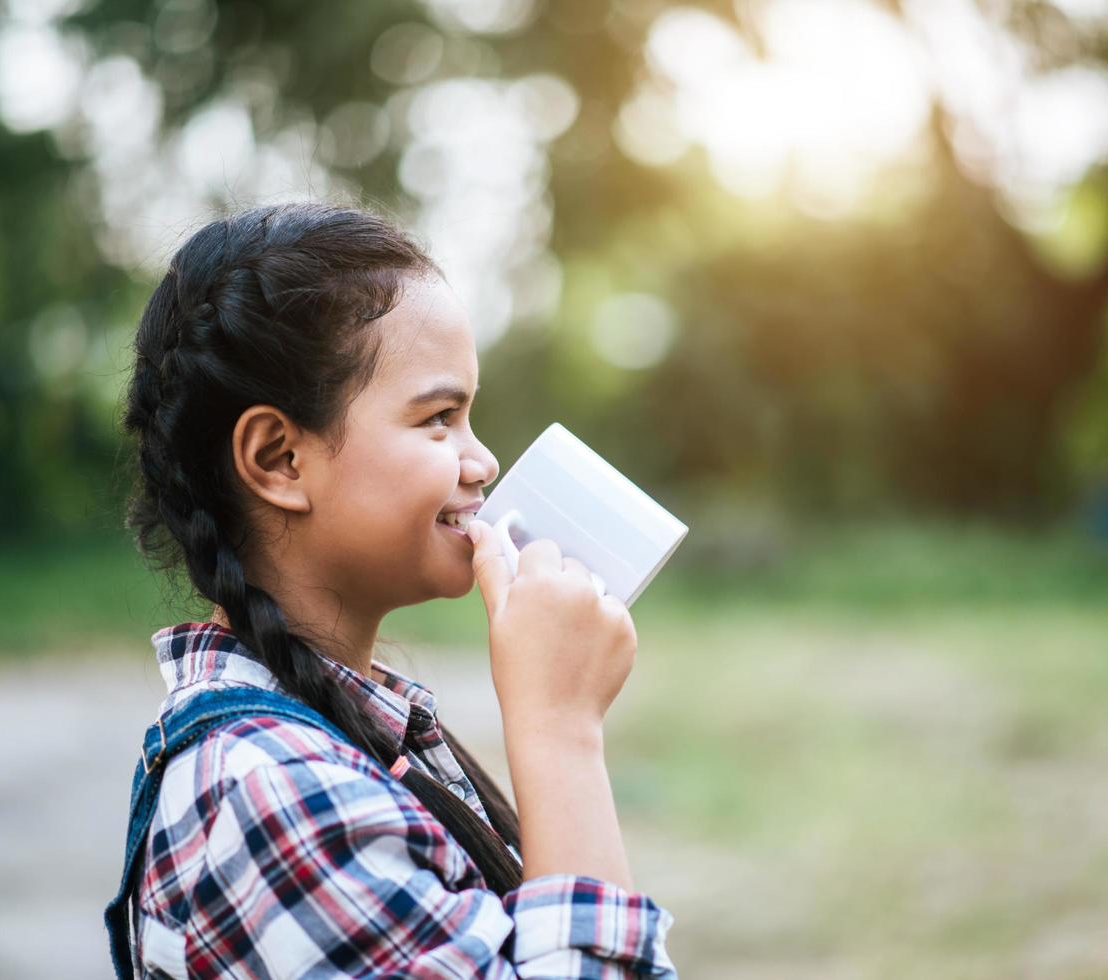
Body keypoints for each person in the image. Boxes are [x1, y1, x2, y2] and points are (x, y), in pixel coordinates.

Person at [104, 202, 678, 978]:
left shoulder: (345, 734)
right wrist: (559, 731)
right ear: (279, 459)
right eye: (439, 418)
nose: (483, 464)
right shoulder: (273, 796)